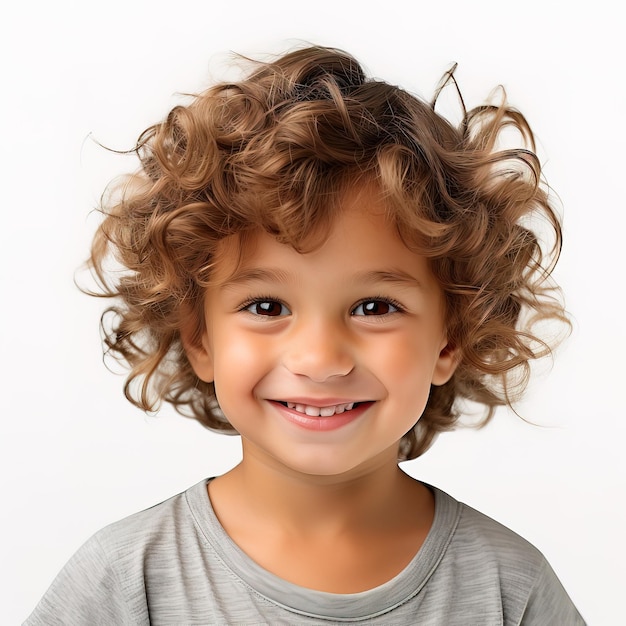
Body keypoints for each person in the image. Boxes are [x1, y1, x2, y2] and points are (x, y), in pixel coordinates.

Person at [25, 45, 585, 624]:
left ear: (449, 340)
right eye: (266, 305)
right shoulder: (123, 582)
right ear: (200, 337)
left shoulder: (509, 588)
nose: (319, 359)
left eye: (374, 306)